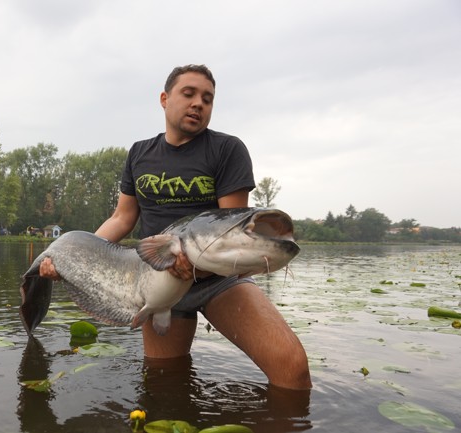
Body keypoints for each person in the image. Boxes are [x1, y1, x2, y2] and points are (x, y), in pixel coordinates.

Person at [40, 64, 312, 390]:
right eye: (189, 94)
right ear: (164, 99)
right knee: (163, 382)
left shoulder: (227, 150)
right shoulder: (140, 153)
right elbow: (122, 218)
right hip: (157, 284)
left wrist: (200, 267)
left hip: (218, 280)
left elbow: (234, 231)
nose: (199, 103)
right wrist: (77, 259)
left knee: (292, 369)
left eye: (208, 99)